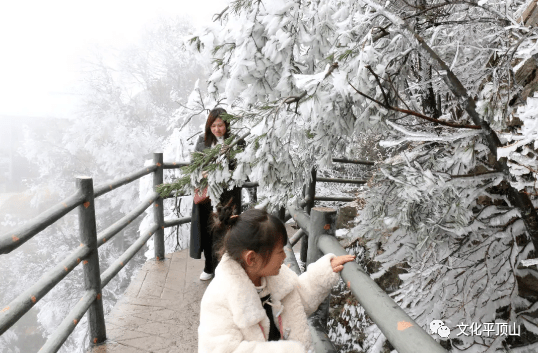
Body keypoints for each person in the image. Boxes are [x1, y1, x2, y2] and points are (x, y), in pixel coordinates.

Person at [198, 206, 356, 353]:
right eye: (279, 251)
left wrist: (324, 272)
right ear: (252, 258)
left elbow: (298, 302)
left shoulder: (276, 278)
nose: (284, 256)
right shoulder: (218, 299)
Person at [190, 107, 242, 281]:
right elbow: (194, 167)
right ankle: (208, 266)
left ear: (226, 125)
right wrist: (202, 173)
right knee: (207, 232)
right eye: (213, 126)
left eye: (220, 125)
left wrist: (227, 162)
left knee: (225, 231)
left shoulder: (236, 142)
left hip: (228, 196)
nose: (217, 129)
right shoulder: (202, 141)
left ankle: (224, 270)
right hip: (207, 195)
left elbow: (243, 170)